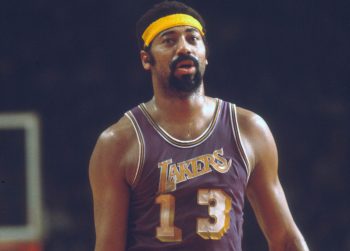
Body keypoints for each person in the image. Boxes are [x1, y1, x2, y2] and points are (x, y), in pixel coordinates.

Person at [89, 1, 309, 250]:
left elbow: (286, 239)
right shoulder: (118, 143)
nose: (184, 47)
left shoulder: (248, 129)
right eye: (169, 41)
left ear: (205, 54)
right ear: (146, 59)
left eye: (193, 39)